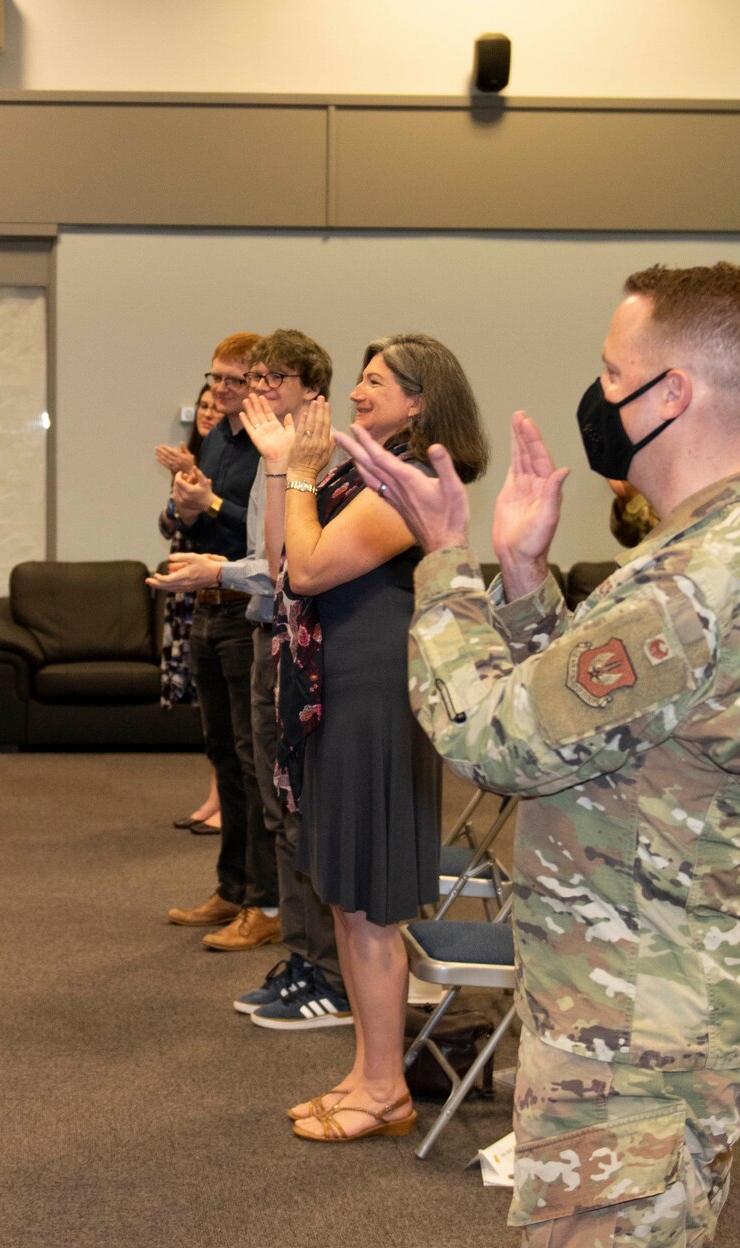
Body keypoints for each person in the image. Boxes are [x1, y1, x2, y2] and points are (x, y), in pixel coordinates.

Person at [341, 263, 740, 1248]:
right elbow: (609, 730)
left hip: (636, 1024)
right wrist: (522, 578)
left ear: (668, 394)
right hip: (678, 983)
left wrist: (446, 563)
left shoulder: (698, 582)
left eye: (610, 372)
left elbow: (494, 736)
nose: (595, 393)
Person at [268, 334, 488, 1140]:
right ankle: (367, 1071)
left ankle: (387, 1086)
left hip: (376, 695)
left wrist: (297, 471)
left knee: (369, 906)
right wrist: (287, 471)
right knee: (347, 899)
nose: (357, 393)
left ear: (418, 400)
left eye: (372, 381)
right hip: (343, 690)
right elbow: (282, 557)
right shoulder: (367, 471)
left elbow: (313, 568)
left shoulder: (413, 481)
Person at [150, 330, 352, 997]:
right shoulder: (274, 456)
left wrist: (219, 567)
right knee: (271, 801)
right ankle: (296, 952)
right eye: (254, 378)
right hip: (265, 629)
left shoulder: (319, 461)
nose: (258, 390)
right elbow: (269, 554)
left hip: (293, 641)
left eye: (274, 380)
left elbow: (292, 566)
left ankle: (315, 962)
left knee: (294, 810)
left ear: (312, 392)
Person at [164, 334, 280, 948]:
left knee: (252, 760)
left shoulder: (268, 445)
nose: (222, 390)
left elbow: (267, 533)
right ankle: (232, 888)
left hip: (246, 606)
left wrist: (206, 500)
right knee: (223, 758)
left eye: (234, 380)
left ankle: (264, 903)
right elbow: (200, 516)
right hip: (205, 606)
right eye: (215, 379)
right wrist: (187, 505)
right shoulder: (215, 436)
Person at [157, 384, 224, 834]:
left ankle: (224, 801)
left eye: (216, 405)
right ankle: (214, 796)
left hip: (215, 584)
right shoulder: (192, 463)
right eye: (203, 405)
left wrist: (194, 480)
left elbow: (215, 523)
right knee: (208, 707)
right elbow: (169, 522)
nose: (208, 411)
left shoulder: (221, 464)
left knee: (223, 711)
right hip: (186, 592)